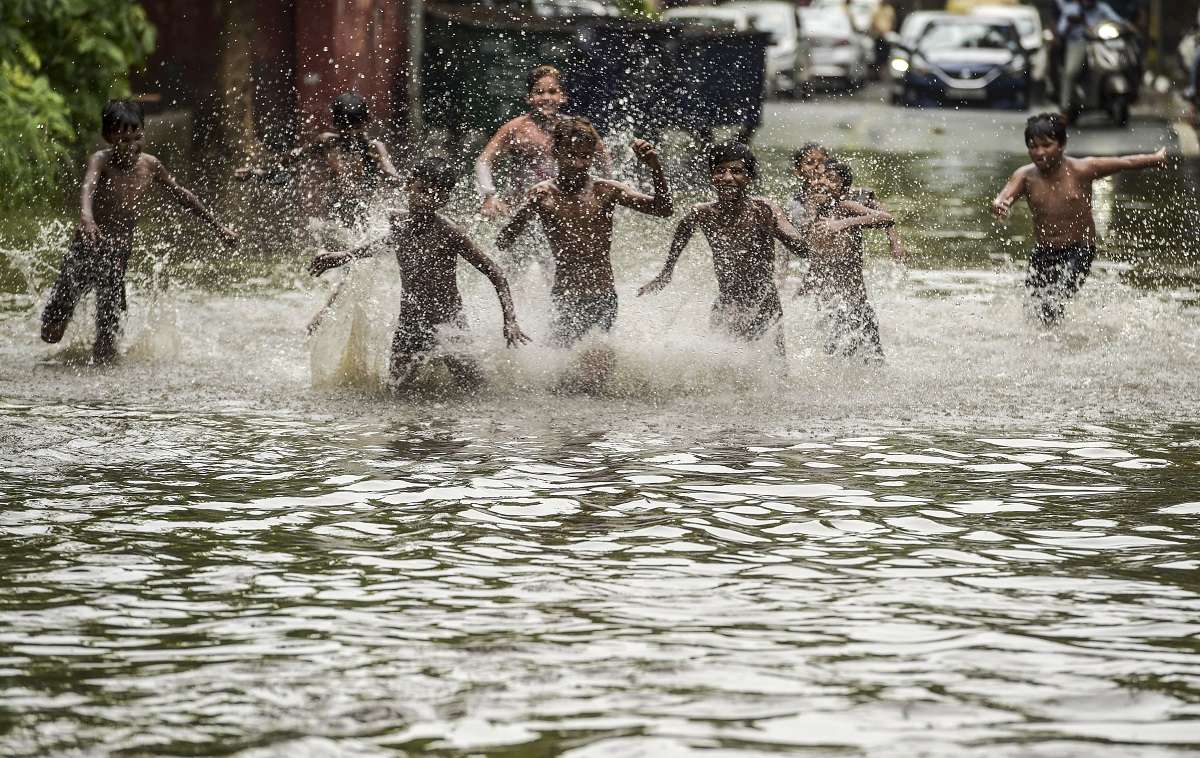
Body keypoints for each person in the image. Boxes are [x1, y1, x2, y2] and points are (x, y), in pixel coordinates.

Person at [41, 99, 239, 363]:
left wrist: (219, 228)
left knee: (107, 342)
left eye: (138, 137)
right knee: (51, 333)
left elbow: (183, 196)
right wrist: (87, 216)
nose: (132, 145)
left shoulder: (151, 165)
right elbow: (88, 186)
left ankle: (105, 393)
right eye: (124, 138)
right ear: (108, 137)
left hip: (117, 255)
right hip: (85, 250)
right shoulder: (100, 161)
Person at [308, 157, 530, 390]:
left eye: (435, 195)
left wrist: (511, 321)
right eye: (422, 190)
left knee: (474, 389)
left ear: (444, 199)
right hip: (410, 323)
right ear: (408, 186)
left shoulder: (449, 232)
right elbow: (383, 244)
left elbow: (496, 273)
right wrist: (345, 255)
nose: (426, 199)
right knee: (397, 391)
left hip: (448, 323)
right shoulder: (399, 222)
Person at [497, 116, 671, 389]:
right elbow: (504, 240)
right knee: (558, 379)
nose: (578, 163)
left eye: (585, 156)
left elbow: (663, 210)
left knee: (595, 376)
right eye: (571, 155)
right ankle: (566, 427)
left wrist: (655, 167)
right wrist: (526, 209)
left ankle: (593, 429)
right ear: (556, 152)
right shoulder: (542, 194)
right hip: (563, 297)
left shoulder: (606, 190)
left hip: (602, 297)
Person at [992, 112, 1166, 325]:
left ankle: (1057, 347)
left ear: (1062, 144)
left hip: (1079, 250)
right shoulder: (1025, 176)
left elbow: (1124, 162)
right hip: (1043, 251)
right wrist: (1000, 204)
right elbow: (1004, 195)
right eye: (1033, 146)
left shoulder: (1082, 169)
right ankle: (1047, 345)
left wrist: (1156, 159)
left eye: (1046, 145)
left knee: (1053, 301)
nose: (1039, 152)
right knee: (1032, 308)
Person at [638, 142, 808, 360]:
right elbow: (682, 233)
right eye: (720, 171)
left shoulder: (763, 209)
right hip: (727, 306)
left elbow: (799, 246)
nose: (728, 178)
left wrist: (778, 229)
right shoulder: (702, 213)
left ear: (748, 177)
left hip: (765, 306)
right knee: (721, 374)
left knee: (776, 375)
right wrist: (666, 273)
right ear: (711, 176)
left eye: (736, 171)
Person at [236, 91, 402, 227]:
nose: (351, 133)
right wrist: (257, 172)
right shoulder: (327, 142)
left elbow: (391, 172)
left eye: (356, 128)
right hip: (335, 217)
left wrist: (392, 175)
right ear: (336, 125)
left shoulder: (375, 148)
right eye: (345, 129)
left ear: (368, 121)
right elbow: (291, 158)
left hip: (366, 216)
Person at [475, 65, 610, 220]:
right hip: (521, 207)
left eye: (552, 92)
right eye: (539, 92)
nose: (546, 98)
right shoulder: (516, 128)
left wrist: (603, 194)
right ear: (528, 97)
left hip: (561, 206)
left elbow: (603, 160)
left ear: (563, 97)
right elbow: (484, 161)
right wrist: (489, 196)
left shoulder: (577, 128)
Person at [793, 158, 895, 363]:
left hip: (855, 305)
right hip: (827, 305)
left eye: (830, 179)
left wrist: (843, 224)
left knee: (871, 362)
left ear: (842, 188)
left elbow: (886, 217)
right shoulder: (808, 210)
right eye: (818, 177)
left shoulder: (845, 206)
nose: (821, 182)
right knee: (830, 360)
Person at [790, 143, 906, 262]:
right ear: (798, 171)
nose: (817, 166)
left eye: (821, 161)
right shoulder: (796, 204)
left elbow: (883, 215)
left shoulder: (845, 198)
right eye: (810, 162)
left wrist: (895, 241)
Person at [1054, 0, 1125, 113]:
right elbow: (1061, 30)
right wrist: (1071, 24)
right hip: (1078, 42)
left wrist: (1128, 27)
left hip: (1100, 43)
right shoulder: (1071, 9)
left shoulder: (1102, 8)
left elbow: (1117, 20)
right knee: (1071, 72)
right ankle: (1065, 108)